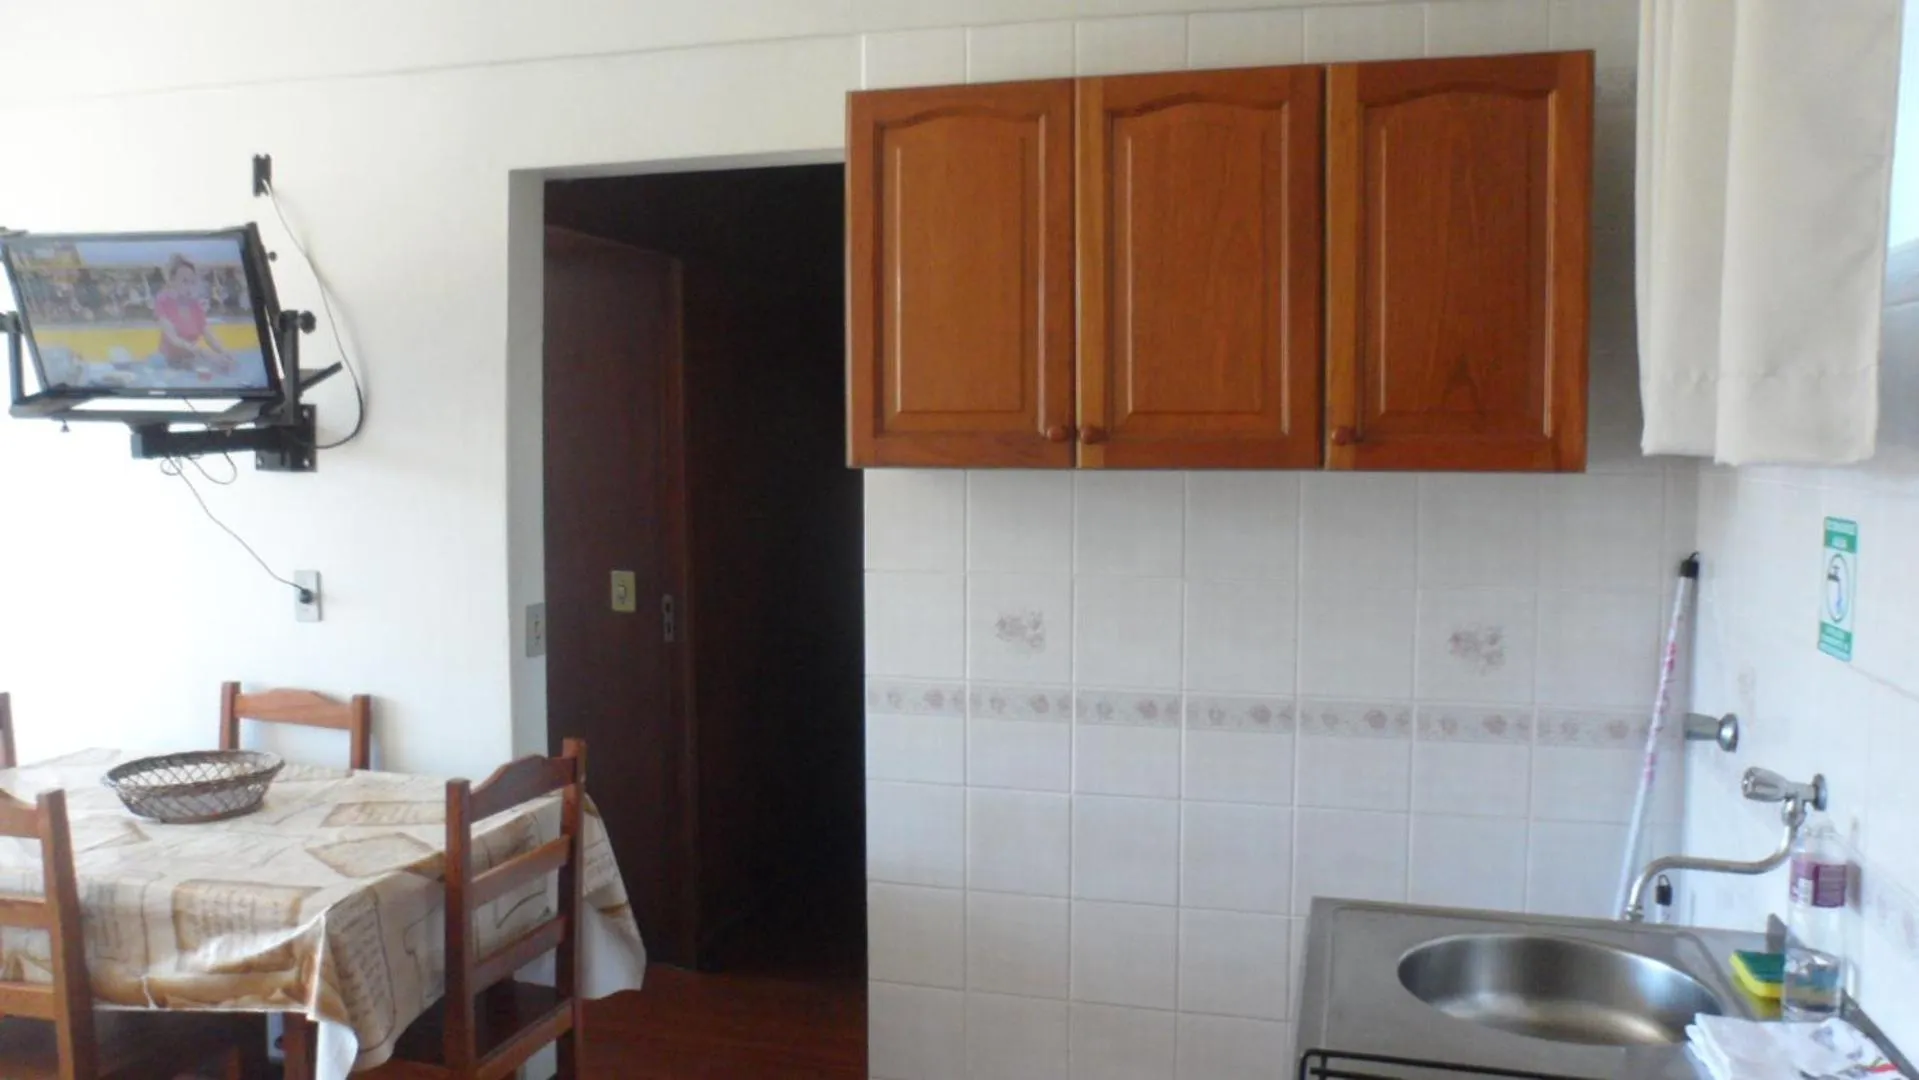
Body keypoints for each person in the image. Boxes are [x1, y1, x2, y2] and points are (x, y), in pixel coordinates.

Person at [152, 254, 233, 374]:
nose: (189, 287)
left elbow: (208, 334)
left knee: (227, 366)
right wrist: (205, 354)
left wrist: (224, 352)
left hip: (192, 359)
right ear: (172, 281)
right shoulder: (163, 301)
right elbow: (173, 338)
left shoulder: (195, 305)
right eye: (184, 281)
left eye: (192, 282)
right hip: (168, 363)